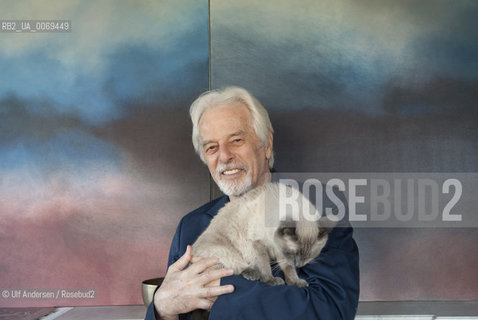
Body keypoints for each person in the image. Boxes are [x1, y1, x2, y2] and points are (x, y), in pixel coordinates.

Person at [145, 87, 359, 320]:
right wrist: (161, 307)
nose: (224, 156)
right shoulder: (191, 226)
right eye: (212, 147)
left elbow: (330, 310)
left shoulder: (317, 212)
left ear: (266, 145)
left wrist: (221, 287)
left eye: (236, 140)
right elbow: (176, 304)